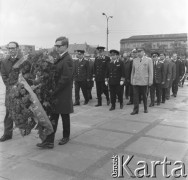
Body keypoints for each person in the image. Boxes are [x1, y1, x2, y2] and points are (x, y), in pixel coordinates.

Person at [37, 36, 73, 149]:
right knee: (53, 117)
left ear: (65, 46)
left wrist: (53, 90)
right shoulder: (59, 58)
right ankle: (49, 141)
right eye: (55, 45)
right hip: (56, 93)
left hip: (62, 93)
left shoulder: (68, 59)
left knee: (64, 116)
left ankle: (66, 137)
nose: (56, 48)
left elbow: (65, 78)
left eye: (59, 46)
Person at [0, 42, 23, 142]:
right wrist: (10, 86)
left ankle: (25, 128)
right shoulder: (4, 61)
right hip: (10, 90)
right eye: (9, 48)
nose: (11, 50)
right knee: (9, 112)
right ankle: (7, 133)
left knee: (23, 110)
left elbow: (27, 74)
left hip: (22, 90)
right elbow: (4, 75)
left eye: (13, 48)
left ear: (17, 48)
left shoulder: (23, 60)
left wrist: (20, 86)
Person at [130, 48, 153, 115]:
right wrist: (132, 79)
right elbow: (132, 71)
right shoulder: (135, 60)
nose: (139, 53)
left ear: (143, 52)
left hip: (144, 81)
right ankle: (135, 110)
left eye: (140, 52)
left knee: (144, 96)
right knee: (135, 96)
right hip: (136, 80)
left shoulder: (149, 60)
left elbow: (150, 71)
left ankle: (145, 108)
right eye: (138, 52)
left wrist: (150, 81)